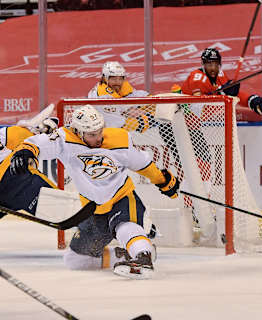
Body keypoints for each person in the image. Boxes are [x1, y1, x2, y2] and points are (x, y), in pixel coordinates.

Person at [9, 105, 180, 279]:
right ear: (78, 131)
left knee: (124, 226)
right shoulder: (64, 140)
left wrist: (163, 181)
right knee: (75, 260)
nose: (98, 137)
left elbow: (142, 165)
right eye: (92, 134)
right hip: (92, 209)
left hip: (121, 196)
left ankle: (143, 256)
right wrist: (25, 152)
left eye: (100, 131)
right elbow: (37, 143)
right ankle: (125, 254)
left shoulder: (119, 139)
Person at [181, 47, 262, 116]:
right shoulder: (197, 79)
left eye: (216, 64)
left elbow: (233, 95)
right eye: (209, 64)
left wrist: (251, 100)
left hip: (204, 122)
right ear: (203, 64)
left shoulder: (220, 75)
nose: (213, 68)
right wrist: (222, 95)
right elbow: (196, 109)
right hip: (183, 116)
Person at [0, 116, 59, 219]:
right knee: (20, 167)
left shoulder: (16, 133)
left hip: (6, 195)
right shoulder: (19, 133)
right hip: (10, 182)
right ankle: (61, 207)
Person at [88, 61, 153, 132]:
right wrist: (130, 110)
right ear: (105, 78)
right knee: (144, 121)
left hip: (118, 114)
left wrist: (149, 98)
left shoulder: (116, 85)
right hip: (109, 127)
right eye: (114, 79)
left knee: (154, 106)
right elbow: (116, 122)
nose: (117, 82)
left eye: (120, 78)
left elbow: (135, 94)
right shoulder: (103, 95)